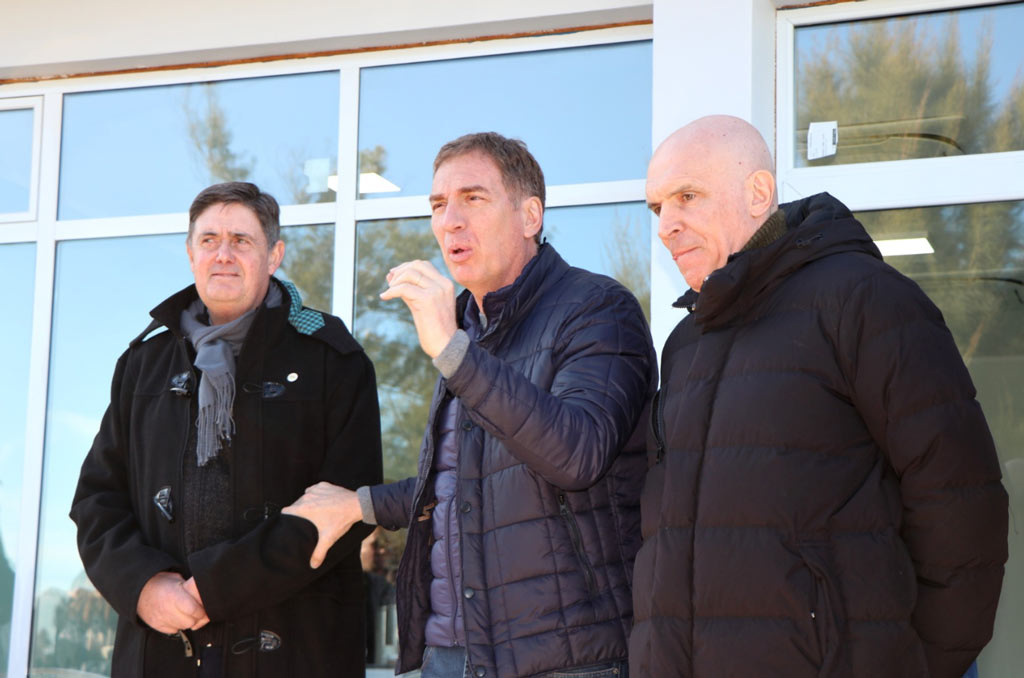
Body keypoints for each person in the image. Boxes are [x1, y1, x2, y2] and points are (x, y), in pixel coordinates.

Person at [629, 115, 1009, 677]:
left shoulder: (864, 301)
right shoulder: (686, 343)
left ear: (759, 193)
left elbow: (960, 502)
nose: (666, 226)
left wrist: (920, 664)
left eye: (687, 196)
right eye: (657, 207)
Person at [283, 132, 656, 678]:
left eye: (473, 198)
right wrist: (359, 505)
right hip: (451, 655)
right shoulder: (467, 329)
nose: (449, 221)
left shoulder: (597, 309)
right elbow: (463, 483)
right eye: (438, 205)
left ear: (530, 216)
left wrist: (452, 352)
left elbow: (578, 455)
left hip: (566, 657)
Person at [70, 181, 383, 677]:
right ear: (190, 253)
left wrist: (214, 588)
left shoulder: (332, 361)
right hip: (163, 646)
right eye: (209, 240)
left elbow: (349, 506)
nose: (223, 255)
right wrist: (144, 587)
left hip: (293, 649)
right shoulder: (143, 364)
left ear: (274, 255)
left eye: (241, 240)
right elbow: (96, 500)